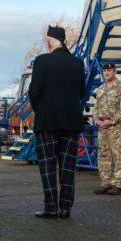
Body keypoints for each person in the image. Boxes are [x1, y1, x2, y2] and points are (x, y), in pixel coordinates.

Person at [28, 26, 85, 219]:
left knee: (48, 166)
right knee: (68, 166)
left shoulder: (42, 61)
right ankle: (66, 208)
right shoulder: (78, 63)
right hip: (71, 120)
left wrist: (41, 109)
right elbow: (81, 92)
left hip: (48, 120)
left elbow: (34, 92)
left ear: (50, 42)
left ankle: (51, 206)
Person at [92, 62, 121, 196]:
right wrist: (97, 120)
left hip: (115, 128)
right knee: (103, 155)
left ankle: (117, 184)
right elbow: (96, 107)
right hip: (102, 128)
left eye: (109, 70)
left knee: (118, 155)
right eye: (105, 71)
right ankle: (106, 182)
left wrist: (111, 121)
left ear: (114, 71)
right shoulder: (100, 89)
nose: (107, 73)